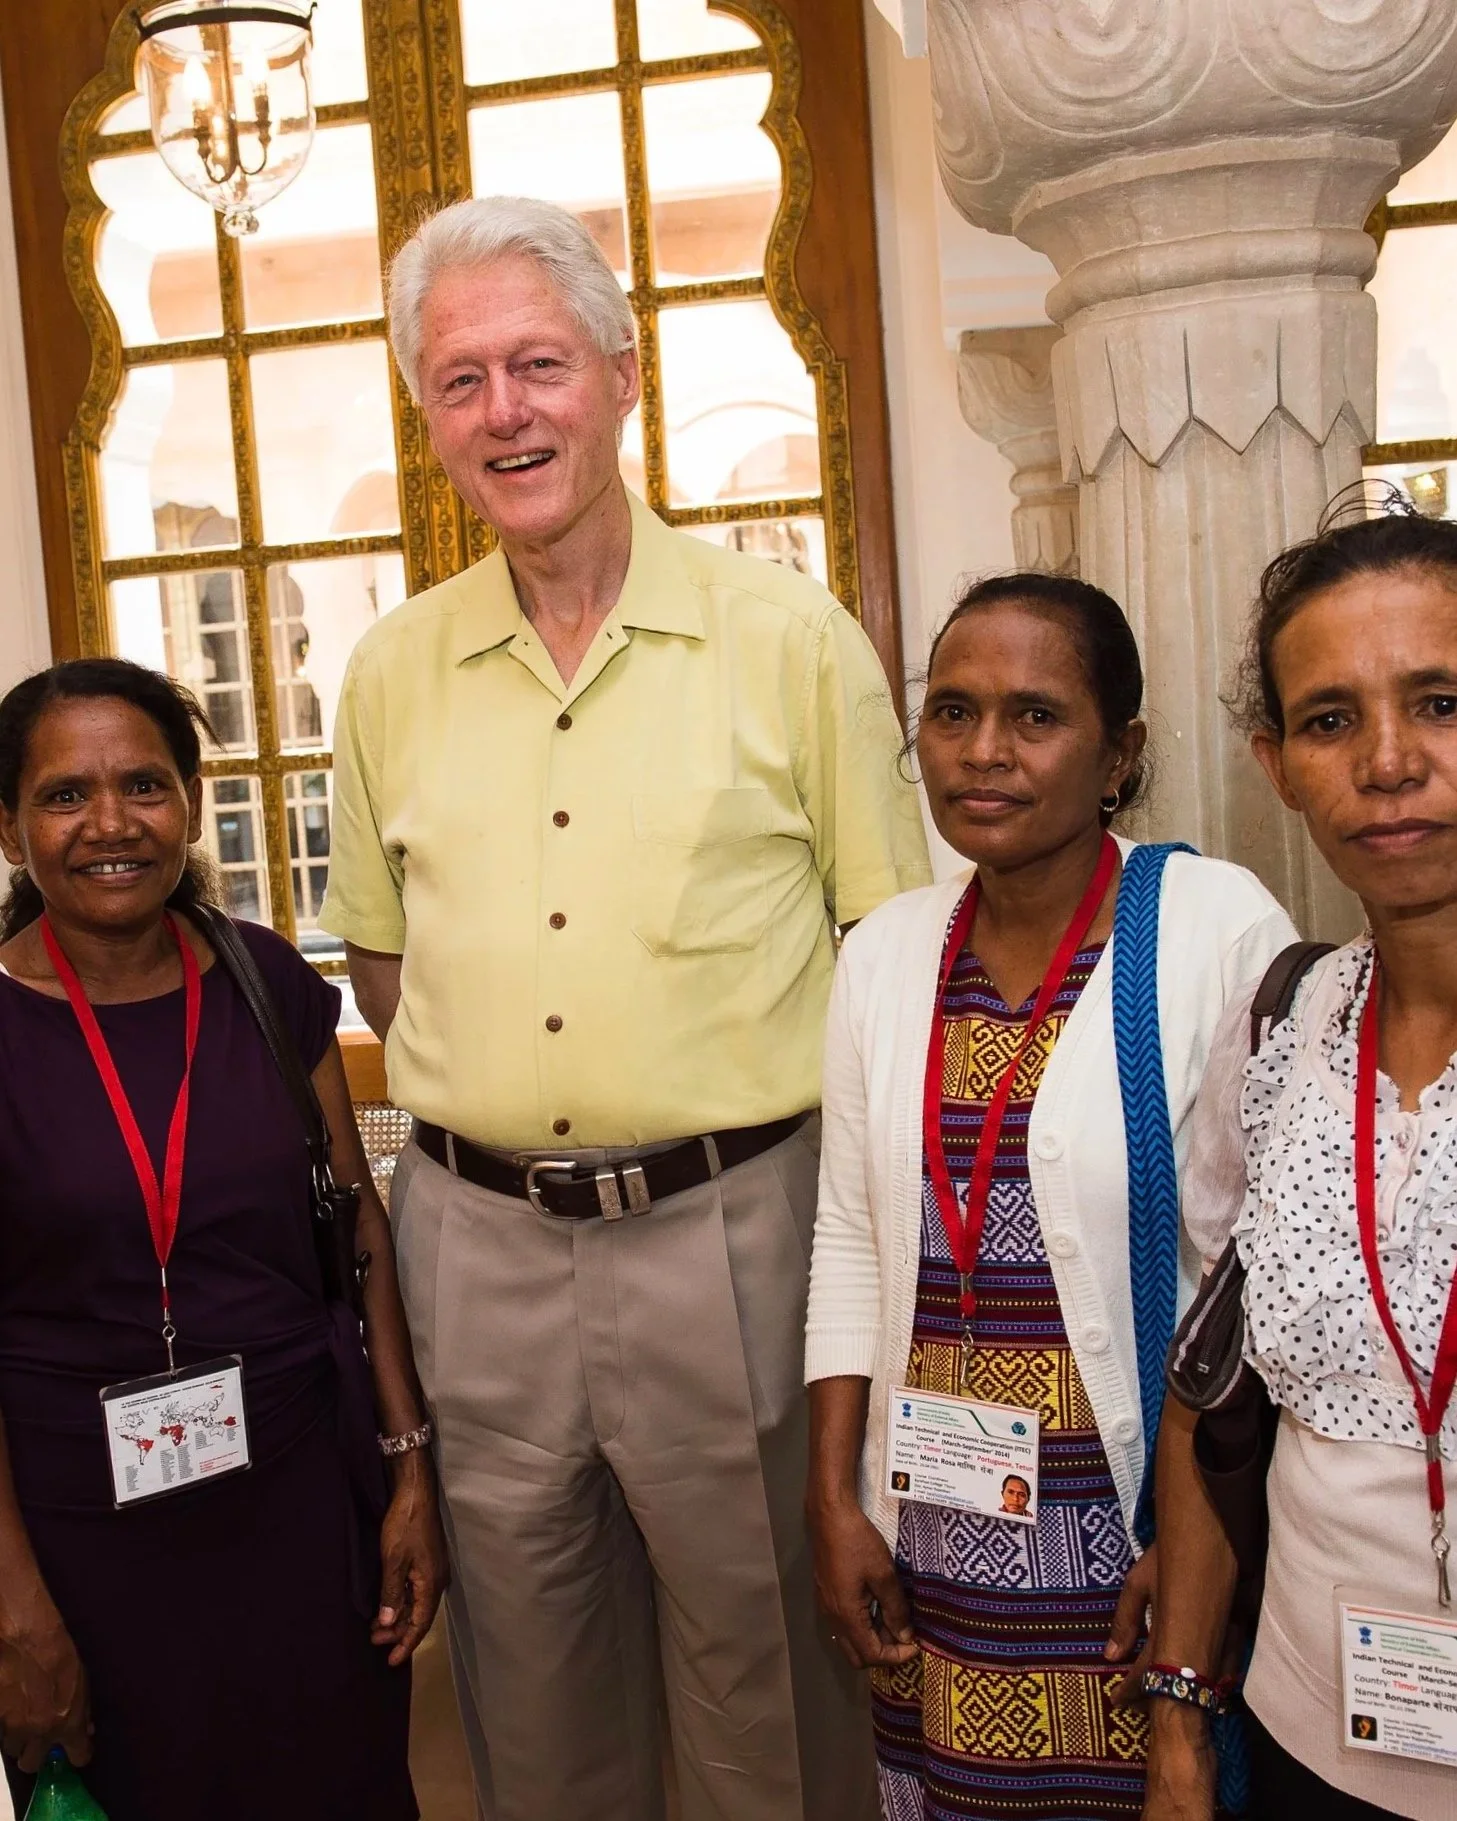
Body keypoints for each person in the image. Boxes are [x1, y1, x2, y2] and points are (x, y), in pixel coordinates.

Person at [318, 195, 931, 1821]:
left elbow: (892, 973)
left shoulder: (790, 640)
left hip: (734, 1234)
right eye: (460, 382)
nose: (503, 411)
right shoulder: (387, 671)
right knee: (527, 1695)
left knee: (765, 1687)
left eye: (537, 364)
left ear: (620, 370)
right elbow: (385, 967)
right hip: (478, 1246)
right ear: (427, 414)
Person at [805, 572, 1297, 1819]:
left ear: (1118, 752)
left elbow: (1256, 1283)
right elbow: (854, 1240)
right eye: (951, 712)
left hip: (1133, 1531)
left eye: (1034, 716)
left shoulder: (1206, 926)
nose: (982, 752)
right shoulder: (883, 955)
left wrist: (1192, 1563)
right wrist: (834, 1502)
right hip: (933, 1538)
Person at [0, 659, 446, 1821]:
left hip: (300, 1509)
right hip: (82, 1544)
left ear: (191, 804)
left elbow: (358, 1227)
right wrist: (12, 1609)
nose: (110, 824)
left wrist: (408, 1478)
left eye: (144, 785)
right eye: (64, 795)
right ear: (9, 827)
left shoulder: (268, 982)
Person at [1144, 505, 1457, 1821]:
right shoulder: (1282, 1023)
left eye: (1439, 702)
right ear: (1276, 767)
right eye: (1329, 720)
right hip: (1301, 1740)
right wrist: (1175, 1729)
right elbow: (1209, 1391)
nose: (1388, 763)